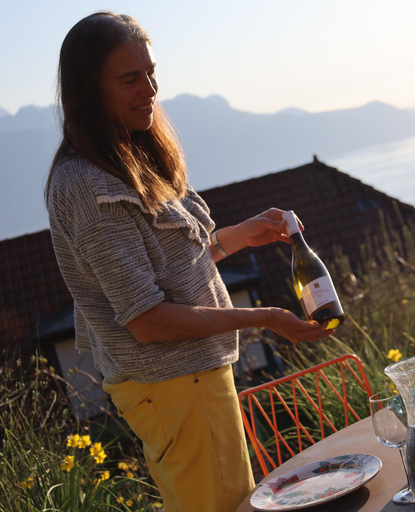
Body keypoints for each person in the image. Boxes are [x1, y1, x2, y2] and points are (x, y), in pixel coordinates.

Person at [45, 11, 333, 512]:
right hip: (174, 388)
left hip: (188, 382)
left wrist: (240, 236)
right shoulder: (90, 187)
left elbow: (171, 270)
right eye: (130, 79)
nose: (149, 89)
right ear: (90, 90)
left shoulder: (126, 156)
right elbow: (149, 321)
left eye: (151, 72)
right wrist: (266, 318)